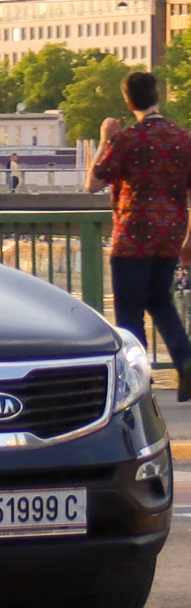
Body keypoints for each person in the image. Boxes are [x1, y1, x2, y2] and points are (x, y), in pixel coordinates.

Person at [92, 71, 191, 401]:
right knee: (160, 299)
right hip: (170, 236)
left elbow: (93, 182)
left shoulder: (127, 140)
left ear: (128, 101)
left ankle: (138, 384)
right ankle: (185, 358)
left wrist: (106, 137)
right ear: (158, 96)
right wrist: (188, 240)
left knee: (130, 312)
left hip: (132, 236)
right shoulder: (183, 139)